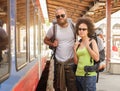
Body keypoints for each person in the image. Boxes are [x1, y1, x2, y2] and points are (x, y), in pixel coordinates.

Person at [44, 7, 77, 91]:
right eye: (58, 16)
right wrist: (52, 44)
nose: (60, 18)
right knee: (58, 87)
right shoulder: (53, 29)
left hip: (71, 63)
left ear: (66, 15)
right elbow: (45, 40)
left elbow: (84, 36)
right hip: (58, 63)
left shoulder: (74, 27)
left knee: (72, 87)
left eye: (62, 15)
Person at [73, 17, 99, 91]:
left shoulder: (92, 42)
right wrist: (74, 50)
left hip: (89, 76)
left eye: (84, 29)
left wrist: (87, 47)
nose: (81, 31)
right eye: (79, 29)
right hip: (78, 74)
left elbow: (97, 58)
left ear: (88, 30)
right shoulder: (78, 43)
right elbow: (76, 62)